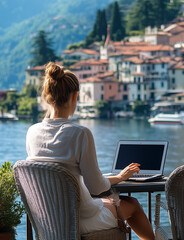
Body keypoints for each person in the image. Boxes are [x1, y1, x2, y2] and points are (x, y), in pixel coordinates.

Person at [25, 62, 155, 240]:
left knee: (109, 202)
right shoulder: (80, 134)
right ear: (75, 97)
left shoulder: (32, 132)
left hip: (50, 220)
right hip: (82, 218)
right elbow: (95, 186)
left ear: (47, 97)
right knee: (131, 204)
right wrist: (118, 178)